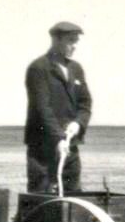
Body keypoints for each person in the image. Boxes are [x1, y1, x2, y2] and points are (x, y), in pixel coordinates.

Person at [24, 21, 92, 194]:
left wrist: (78, 123)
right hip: (43, 146)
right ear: (56, 40)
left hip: (70, 144)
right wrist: (58, 138)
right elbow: (42, 108)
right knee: (39, 196)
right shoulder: (38, 68)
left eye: (76, 41)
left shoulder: (76, 69)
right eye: (71, 41)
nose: (74, 46)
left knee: (73, 195)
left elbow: (85, 103)